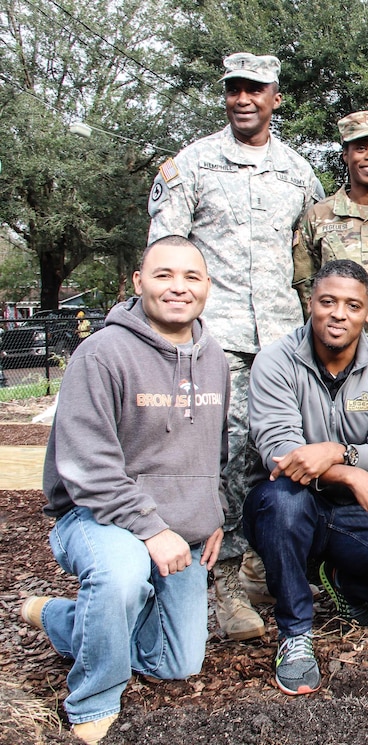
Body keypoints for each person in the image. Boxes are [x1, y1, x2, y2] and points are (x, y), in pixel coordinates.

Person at [20, 236, 229, 744]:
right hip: (97, 519)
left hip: (182, 530)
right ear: (139, 283)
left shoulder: (215, 357)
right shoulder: (102, 353)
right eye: (163, 275)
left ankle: (62, 618)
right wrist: (151, 529)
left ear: (206, 287)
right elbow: (87, 465)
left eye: (191, 277)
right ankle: (94, 696)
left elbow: (213, 452)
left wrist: (214, 514)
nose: (178, 287)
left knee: (179, 663)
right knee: (122, 577)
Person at [147, 52, 325, 641]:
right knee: (209, 459)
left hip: (277, 345)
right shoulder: (192, 165)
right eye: (234, 89)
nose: (244, 99)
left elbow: (312, 261)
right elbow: (165, 258)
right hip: (207, 343)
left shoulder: (299, 173)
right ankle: (215, 583)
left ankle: (256, 571)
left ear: (276, 97)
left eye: (256, 89)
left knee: (266, 459)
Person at [244, 259, 368, 696]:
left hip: (352, 511)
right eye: (328, 302)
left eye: (352, 305)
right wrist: (356, 476)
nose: (339, 314)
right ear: (309, 303)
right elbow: (282, 457)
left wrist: (339, 454)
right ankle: (295, 632)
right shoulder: (275, 361)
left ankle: (335, 575)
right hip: (291, 500)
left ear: (367, 313)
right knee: (283, 501)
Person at [294, 110, 368, 353]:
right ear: (346, 155)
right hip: (337, 350)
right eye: (361, 148)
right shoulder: (319, 216)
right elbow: (305, 286)